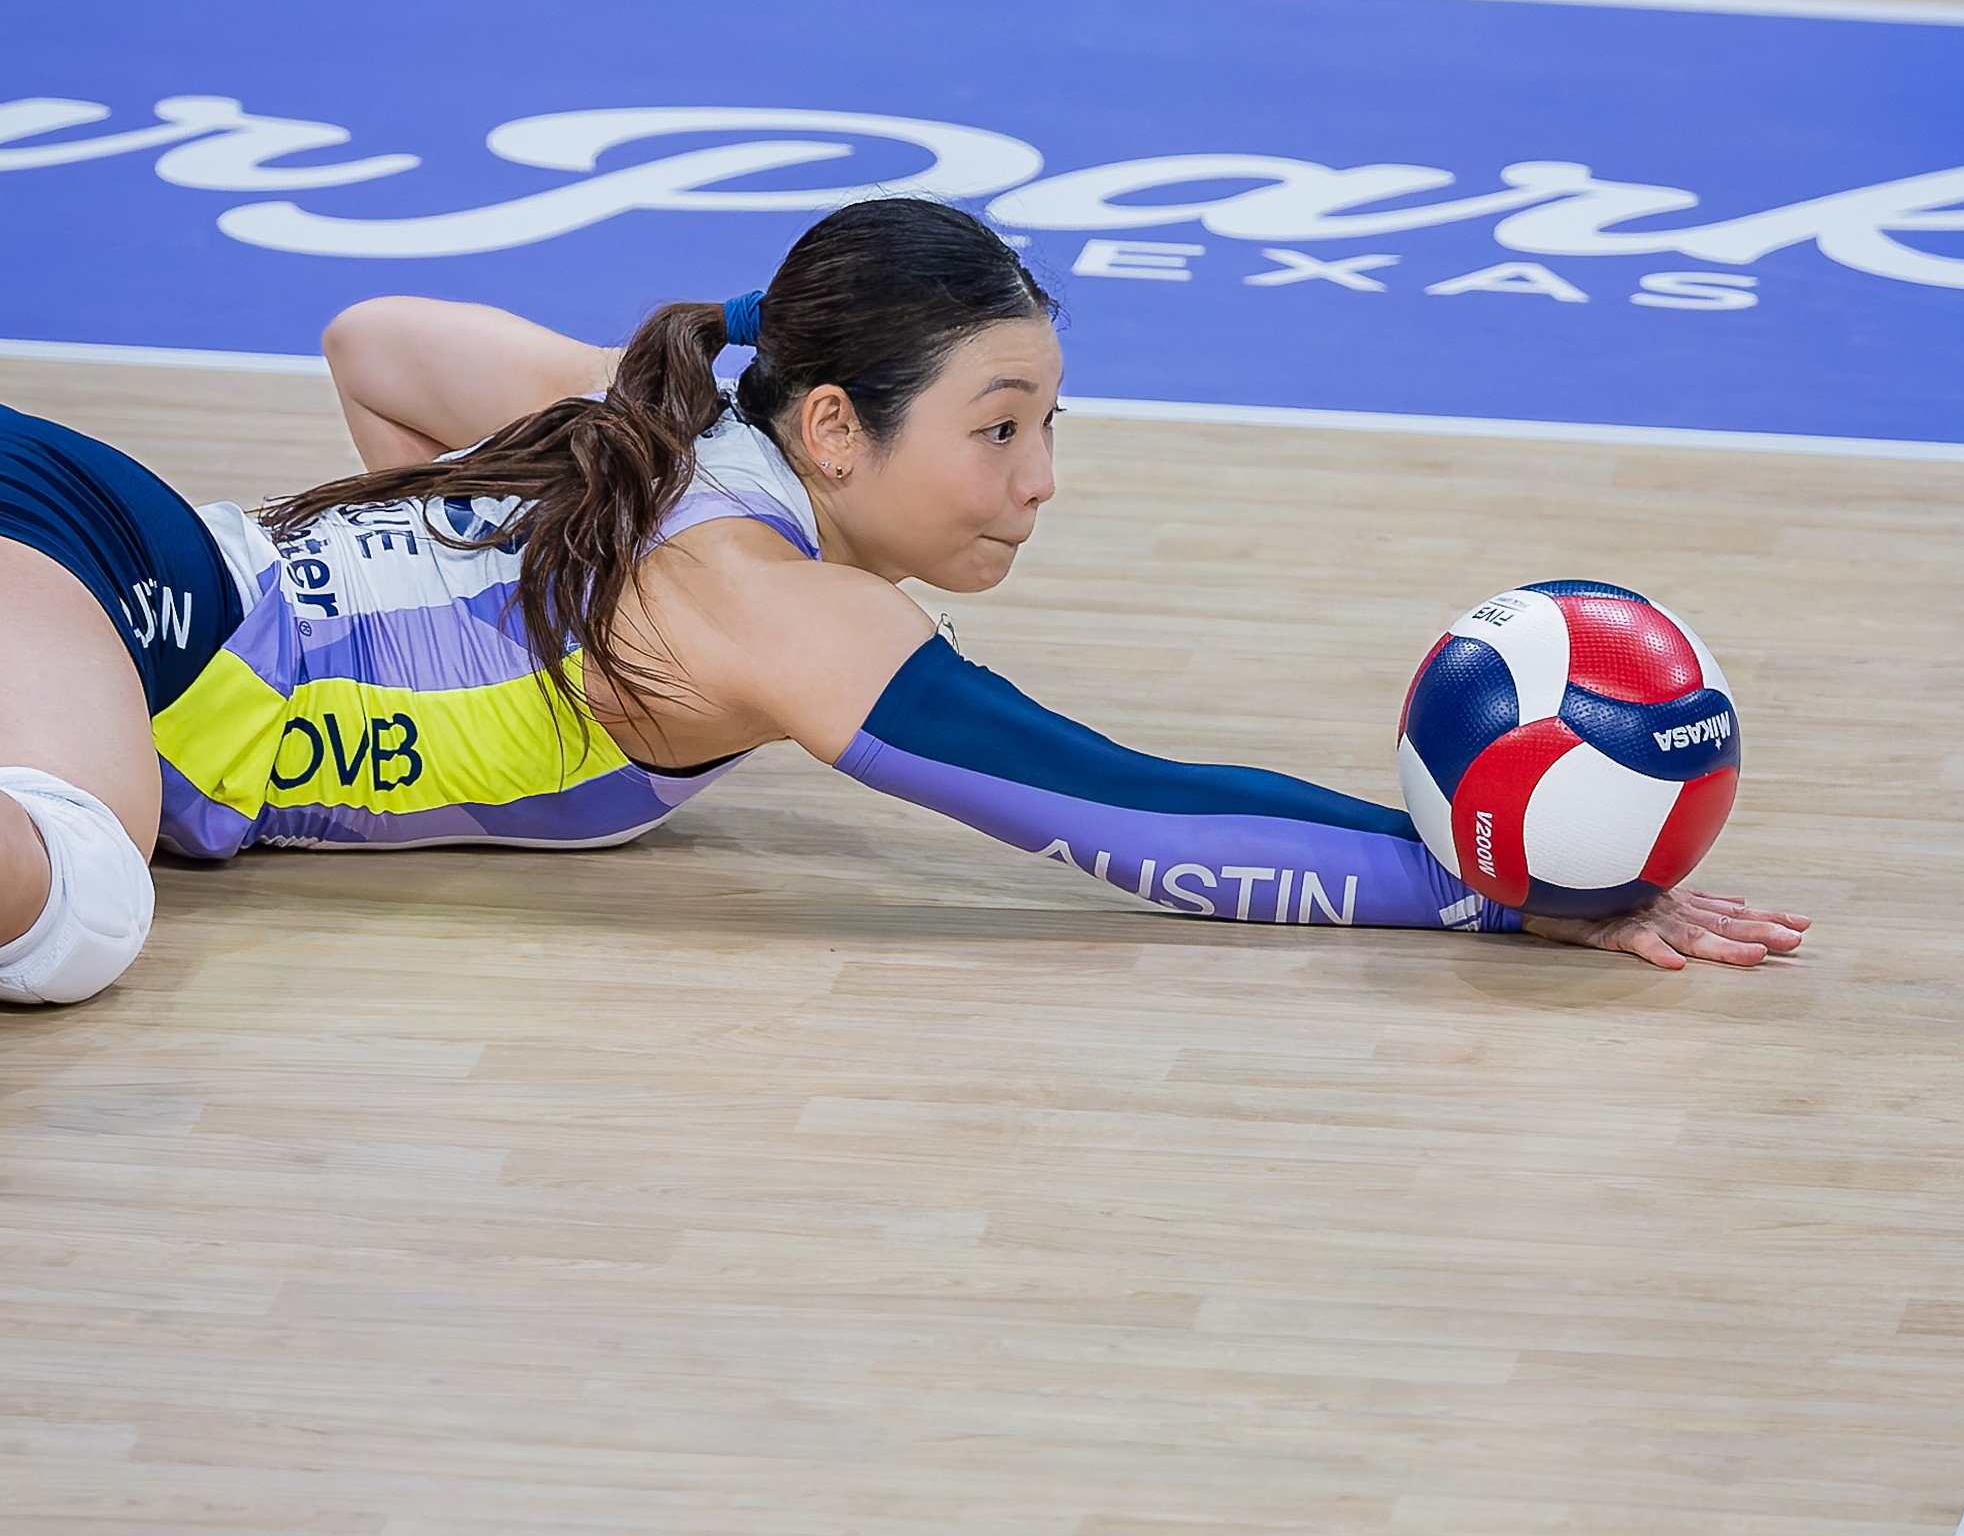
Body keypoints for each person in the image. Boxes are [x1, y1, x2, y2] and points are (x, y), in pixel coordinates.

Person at [0, 199, 1807, 1006]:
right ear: (840, 425)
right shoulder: (764, 604)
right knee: (81, 902)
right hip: (133, 601)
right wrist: (1487, 897)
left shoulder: (675, 438)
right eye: (997, 428)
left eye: (1049, 427)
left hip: (105, 545)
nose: (1038, 482)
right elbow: (1114, 807)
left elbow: (376, 347)